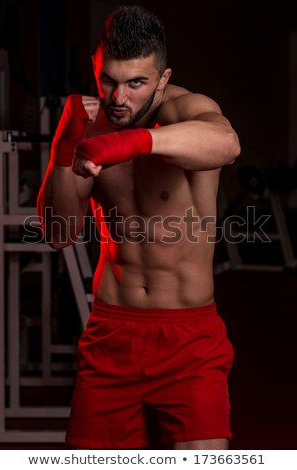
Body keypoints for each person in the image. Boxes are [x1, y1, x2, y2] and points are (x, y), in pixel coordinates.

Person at [37, 5, 241, 450]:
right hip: (111, 330)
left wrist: (131, 142)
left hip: (189, 339)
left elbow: (226, 143)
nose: (118, 98)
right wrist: (64, 148)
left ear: (162, 80)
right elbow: (58, 233)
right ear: (96, 68)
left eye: (136, 83)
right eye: (108, 79)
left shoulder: (190, 108)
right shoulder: (88, 120)